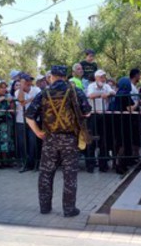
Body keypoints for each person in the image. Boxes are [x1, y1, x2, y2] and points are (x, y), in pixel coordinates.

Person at [24, 65, 92, 217]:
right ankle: (69, 209)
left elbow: (29, 116)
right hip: (70, 139)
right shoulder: (75, 91)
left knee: (46, 174)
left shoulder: (44, 93)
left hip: (50, 139)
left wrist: (38, 132)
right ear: (65, 76)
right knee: (70, 175)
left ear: (52, 77)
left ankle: (45, 207)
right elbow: (87, 112)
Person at [86, 69, 115, 172]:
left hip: (104, 115)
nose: (103, 79)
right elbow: (90, 95)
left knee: (104, 140)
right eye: (101, 77)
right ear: (96, 78)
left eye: (104, 77)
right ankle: (90, 165)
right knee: (92, 140)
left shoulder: (106, 86)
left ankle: (103, 165)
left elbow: (113, 92)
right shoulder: (91, 86)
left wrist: (108, 94)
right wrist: (100, 95)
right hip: (94, 115)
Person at [15, 73, 41, 170]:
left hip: (34, 120)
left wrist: (28, 100)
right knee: (23, 143)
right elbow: (21, 101)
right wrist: (22, 88)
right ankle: (25, 164)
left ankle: (34, 163)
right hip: (21, 120)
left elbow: (37, 101)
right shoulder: (18, 91)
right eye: (26, 81)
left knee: (33, 142)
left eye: (30, 80)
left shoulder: (37, 90)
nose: (29, 82)